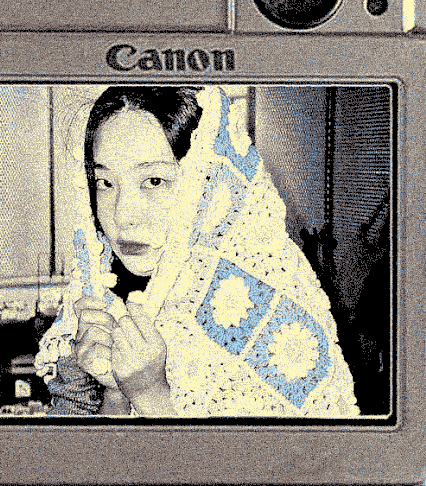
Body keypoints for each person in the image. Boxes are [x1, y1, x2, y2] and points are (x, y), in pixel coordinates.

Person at [35, 86, 360, 417]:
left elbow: (304, 450)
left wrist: (150, 394)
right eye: (105, 183)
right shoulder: (97, 304)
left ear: (207, 185)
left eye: (154, 181)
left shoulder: (273, 320)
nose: (122, 216)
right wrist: (115, 391)